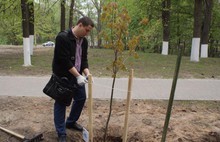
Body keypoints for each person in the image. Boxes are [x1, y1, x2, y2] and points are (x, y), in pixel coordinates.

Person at [52, 16, 94, 142]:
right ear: (80, 25)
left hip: (77, 76)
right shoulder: (62, 38)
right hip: (63, 76)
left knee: (81, 98)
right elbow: (64, 60)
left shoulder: (84, 41)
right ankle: (61, 133)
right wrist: (78, 76)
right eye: (86, 30)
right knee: (61, 103)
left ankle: (70, 122)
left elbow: (84, 60)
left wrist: (87, 74)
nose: (87, 33)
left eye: (89, 31)